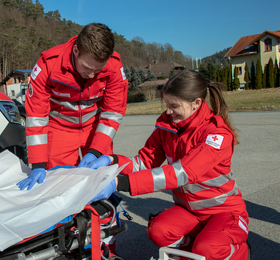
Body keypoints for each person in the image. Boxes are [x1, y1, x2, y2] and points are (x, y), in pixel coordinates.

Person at [84, 70, 249, 260]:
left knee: (208, 248)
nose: (168, 111)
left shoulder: (217, 135)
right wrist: (112, 161)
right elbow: (144, 162)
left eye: (174, 106)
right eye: (166, 104)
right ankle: (193, 253)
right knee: (159, 231)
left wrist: (119, 183)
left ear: (196, 103)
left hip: (223, 211)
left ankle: (240, 253)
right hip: (189, 211)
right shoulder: (167, 126)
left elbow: (181, 173)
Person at [17, 23, 128, 191]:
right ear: (76, 51)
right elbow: (37, 117)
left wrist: (96, 151)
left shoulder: (114, 66)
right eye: (88, 68)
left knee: (101, 181)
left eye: (99, 70)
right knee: (60, 186)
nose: (92, 75)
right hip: (59, 128)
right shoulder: (48, 65)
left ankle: (101, 215)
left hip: (94, 128)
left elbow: (112, 114)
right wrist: (38, 163)